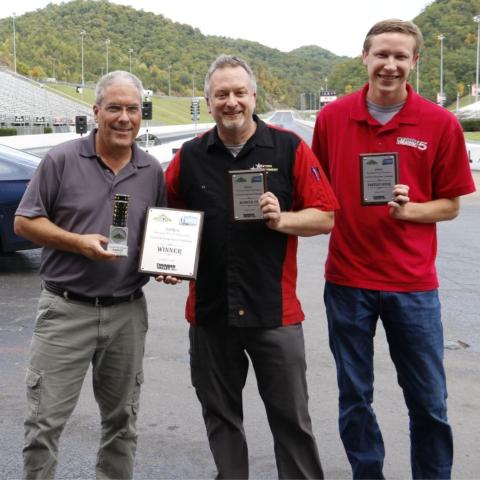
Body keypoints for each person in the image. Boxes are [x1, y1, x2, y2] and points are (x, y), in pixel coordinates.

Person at [312, 19, 476, 480]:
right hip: (347, 281)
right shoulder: (332, 118)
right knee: (354, 397)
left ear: (414, 62)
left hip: (413, 286)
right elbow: (317, 190)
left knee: (429, 401)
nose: (390, 65)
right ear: (364, 57)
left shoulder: (439, 123)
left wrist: (412, 211)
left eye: (400, 56)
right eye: (381, 54)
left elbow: (451, 206)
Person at [164, 54, 338, 479]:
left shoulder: (289, 148)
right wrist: (168, 259)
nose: (231, 101)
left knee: (292, 422)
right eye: (221, 94)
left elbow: (326, 216)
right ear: (208, 101)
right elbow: (168, 218)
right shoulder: (188, 157)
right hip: (210, 312)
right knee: (221, 418)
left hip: (274, 313)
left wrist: (284, 219)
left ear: (254, 96)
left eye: (239, 92)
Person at [15, 70, 167, 479]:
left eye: (132, 109)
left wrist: (165, 265)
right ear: (96, 111)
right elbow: (25, 222)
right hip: (66, 311)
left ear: (141, 114)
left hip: (126, 314)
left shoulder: (151, 170)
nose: (124, 118)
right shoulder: (61, 159)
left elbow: (158, 233)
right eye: (114, 108)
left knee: (122, 424)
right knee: (44, 423)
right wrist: (76, 241)